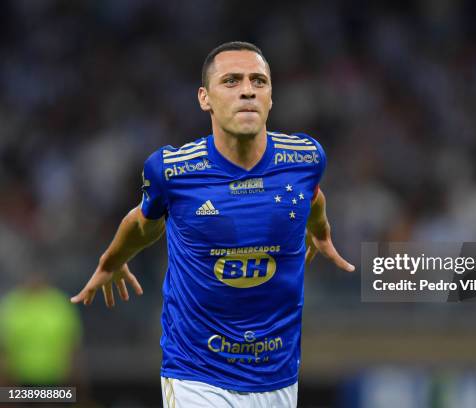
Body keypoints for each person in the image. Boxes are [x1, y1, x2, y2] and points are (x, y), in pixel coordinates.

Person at [71, 41, 354, 408]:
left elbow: (313, 197)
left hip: (278, 376)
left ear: (271, 97)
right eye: (231, 81)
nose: (248, 90)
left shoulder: (306, 158)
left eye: (258, 81)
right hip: (197, 375)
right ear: (205, 98)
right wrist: (111, 261)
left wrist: (321, 231)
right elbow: (144, 224)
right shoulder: (172, 171)